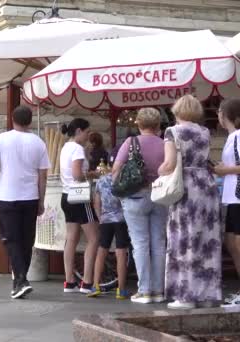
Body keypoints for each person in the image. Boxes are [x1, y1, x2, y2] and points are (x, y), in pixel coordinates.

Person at [159, 95, 222, 309]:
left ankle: (185, 295)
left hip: (185, 187)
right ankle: (207, 294)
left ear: (176, 111)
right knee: (206, 239)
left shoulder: (172, 132)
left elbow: (169, 164)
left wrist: (158, 173)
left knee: (183, 238)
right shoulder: (204, 132)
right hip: (206, 185)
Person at [0, 105, 50, 299]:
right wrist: (41, 200)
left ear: (12, 119)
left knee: (11, 239)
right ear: (30, 121)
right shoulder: (38, 142)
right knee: (26, 240)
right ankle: (19, 283)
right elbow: (43, 176)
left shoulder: (2, 139)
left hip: (7, 196)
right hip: (30, 197)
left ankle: (21, 280)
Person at [112, 107, 166, 304]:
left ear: (139, 124)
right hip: (160, 195)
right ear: (158, 125)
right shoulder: (164, 144)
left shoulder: (130, 142)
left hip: (134, 197)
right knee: (159, 243)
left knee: (140, 243)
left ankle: (144, 291)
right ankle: (159, 290)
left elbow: (116, 170)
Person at [59, 118, 99, 294]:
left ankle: (69, 281)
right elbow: (77, 175)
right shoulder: (77, 149)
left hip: (66, 196)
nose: (89, 136)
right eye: (87, 132)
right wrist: (92, 174)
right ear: (78, 132)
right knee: (94, 238)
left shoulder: (66, 147)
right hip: (79, 197)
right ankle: (87, 282)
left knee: (71, 238)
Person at [86, 150, 130, 300]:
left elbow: (96, 202)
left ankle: (95, 285)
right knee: (121, 253)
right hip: (121, 220)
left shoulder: (101, 180)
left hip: (105, 220)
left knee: (101, 251)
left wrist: (100, 217)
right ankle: (121, 289)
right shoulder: (124, 179)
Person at [215, 98, 240, 307]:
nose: (217, 116)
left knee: (237, 245)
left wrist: (225, 170)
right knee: (232, 244)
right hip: (231, 197)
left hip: (238, 197)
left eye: (220, 112)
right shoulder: (232, 137)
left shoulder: (239, 136)